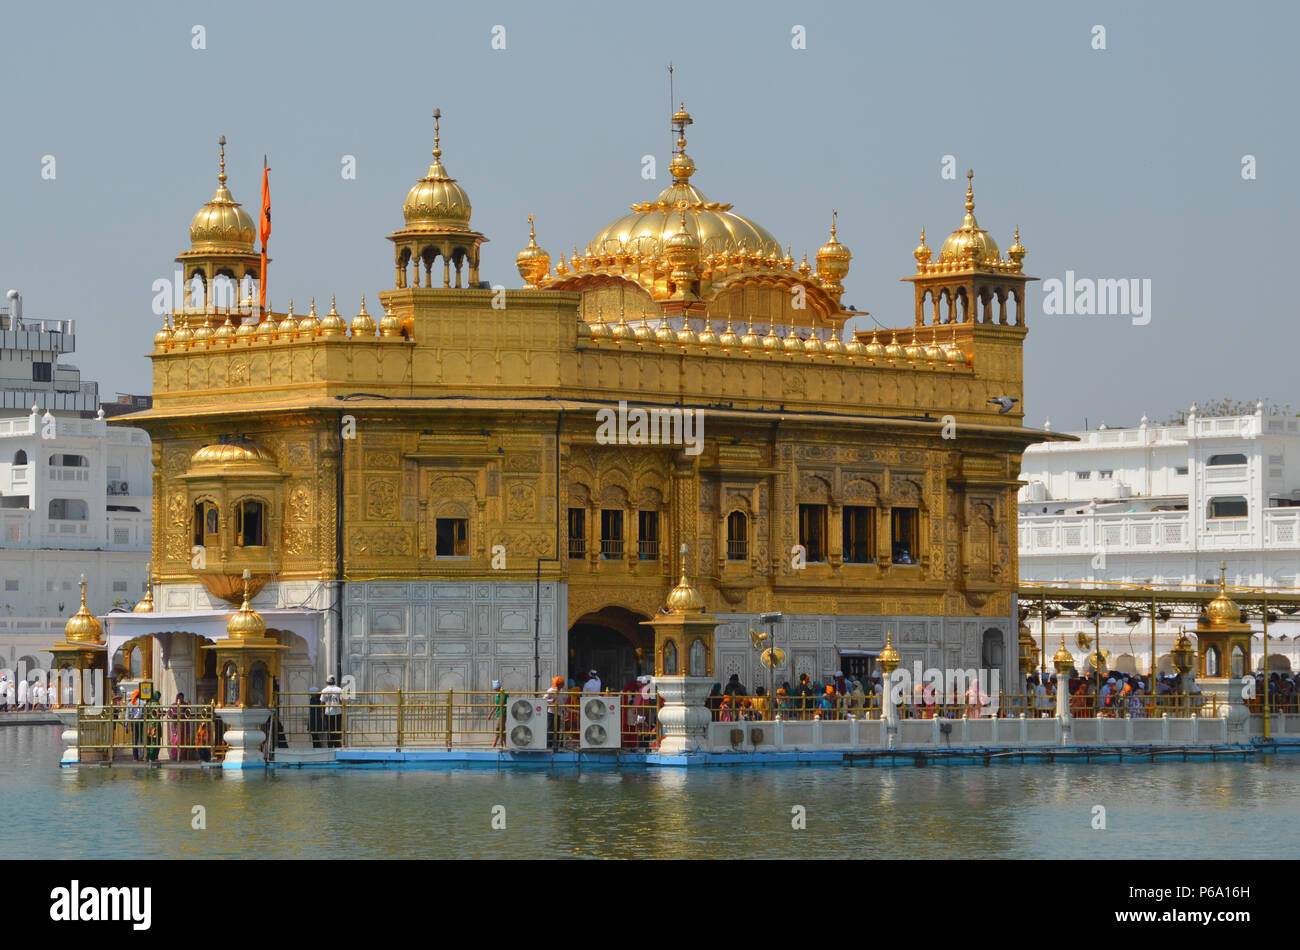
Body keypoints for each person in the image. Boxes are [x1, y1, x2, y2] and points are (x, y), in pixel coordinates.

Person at [320, 675, 344, 748]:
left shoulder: (324, 690)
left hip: (328, 713)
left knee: (329, 730)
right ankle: (337, 745)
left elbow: (322, 703)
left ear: (327, 682)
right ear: (334, 682)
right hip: (338, 713)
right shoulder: (339, 690)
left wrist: (322, 713)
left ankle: (330, 745)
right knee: (337, 730)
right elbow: (342, 702)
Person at [544, 675, 564, 749]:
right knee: (551, 728)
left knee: (557, 729)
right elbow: (544, 700)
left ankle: (556, 745)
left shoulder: (558, 691)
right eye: (562, 684)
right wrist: (552, 700)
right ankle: (548, 745)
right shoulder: (551, 690)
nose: (563, 685)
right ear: (559, 684)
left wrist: (563, 709)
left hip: (558, 712)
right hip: (552, 712)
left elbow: (560, 701)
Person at [127, 688, 145, 760]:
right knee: (141, 739)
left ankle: (135, 757)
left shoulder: (130, 703)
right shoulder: (143, 703)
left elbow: (127, 715)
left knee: (135, 739)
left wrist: (126, 725)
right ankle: (141, 756)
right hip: (140, 722)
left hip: (133, 722)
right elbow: (141, 713)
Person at [490, 680, 507, 748]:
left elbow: (501, 703)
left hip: (502, 713)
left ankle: (494, 744)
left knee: (498, 728)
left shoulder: (503, 694)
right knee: (502, 730)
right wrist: (490, 714)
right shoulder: (498, 695)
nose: (494, 690)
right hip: (499, 713)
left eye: (495, 689)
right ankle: (505, 745)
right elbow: (496, 704)